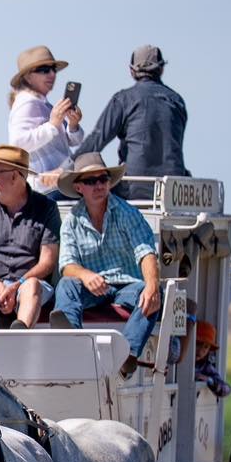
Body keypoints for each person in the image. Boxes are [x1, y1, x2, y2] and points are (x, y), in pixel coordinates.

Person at [49, 152, 161, 379]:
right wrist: (86, 275)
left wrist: (152, 285)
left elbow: (146, 252)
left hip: (127, 287)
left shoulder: (127, 213)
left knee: (149, 292)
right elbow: (67, 265)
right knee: (66, 285)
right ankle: (72, 343)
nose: (99, 185)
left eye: (103, 179)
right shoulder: (71, 220)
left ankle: (127, 353)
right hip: (93, 289)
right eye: (91, 181)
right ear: (79, 187)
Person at [75, 45, 188, 201]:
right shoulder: (177, 101)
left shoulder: (123, 99)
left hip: (133, 190)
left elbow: (96, 140)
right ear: (161, 69)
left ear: (132, 71)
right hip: (174, 193)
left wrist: (66, 169)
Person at [0, 145, 60, 329]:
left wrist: (17, 284)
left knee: (32, 286)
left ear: (15, 176)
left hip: (27, 282)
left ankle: (20, 342)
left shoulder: (46, 208)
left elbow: (47, 262)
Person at [7, 45, 84, 196]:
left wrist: (73, 125)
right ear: (28, 76)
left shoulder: (43, 103)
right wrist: (53, 125)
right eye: (44, 70)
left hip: (58, 184)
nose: (52, 74)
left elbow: (71, 141)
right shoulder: (26, 103)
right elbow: (17, 143)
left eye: (53, 69)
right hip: (46, 190)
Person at [194, 320, 231, 397]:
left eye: (206, 347)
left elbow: (227, 389)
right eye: (198, 344)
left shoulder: (205, 367)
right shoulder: (179, 362)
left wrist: (210, 381)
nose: (201, 350)